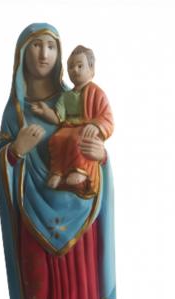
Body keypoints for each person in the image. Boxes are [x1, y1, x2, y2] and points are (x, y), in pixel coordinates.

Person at [0, 23, 116, 299]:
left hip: (78, 216)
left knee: (80, 292)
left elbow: (100, 156)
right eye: (36, 46)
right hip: (33, 218)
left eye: (51, 46)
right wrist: (16, 152)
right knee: (42, 292)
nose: (44, 53)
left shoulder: (76, 98)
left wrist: (101, 155)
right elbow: (1, 163)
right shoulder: (16, 113)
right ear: (22, 56)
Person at [31, 45, 114, 198]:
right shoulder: (66, 96)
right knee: (57, 139)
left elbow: (107, 117)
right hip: (68, 126)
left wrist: (96, 126)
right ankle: (58, 171)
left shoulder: (97, 93)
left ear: (91, 69)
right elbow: (58, 117)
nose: (75, 70)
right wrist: (45, 111)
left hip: (84, 128)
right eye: (70, 67)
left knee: (77, 140)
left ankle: (80, 171)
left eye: (80, 66)